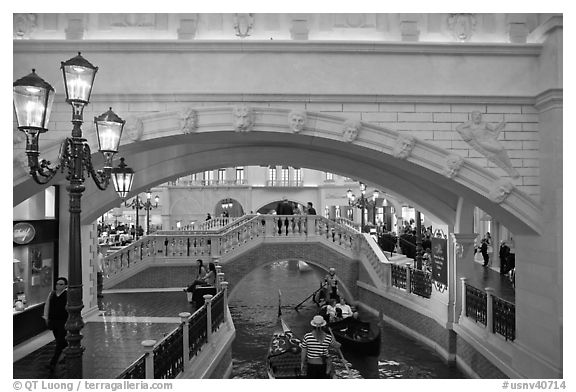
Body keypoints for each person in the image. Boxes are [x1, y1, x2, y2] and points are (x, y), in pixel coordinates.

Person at [43, 277, 68, 373]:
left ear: (65, 285)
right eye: (57, 284)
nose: (58, 286)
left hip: (63, 321)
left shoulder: (67, 295)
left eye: (61, 284)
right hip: (54, 321)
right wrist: (46, 318)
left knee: (60, 342)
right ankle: (67, 355)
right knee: (61, 341)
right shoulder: (52, 294)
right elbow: (47, 306)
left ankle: (52, 363)